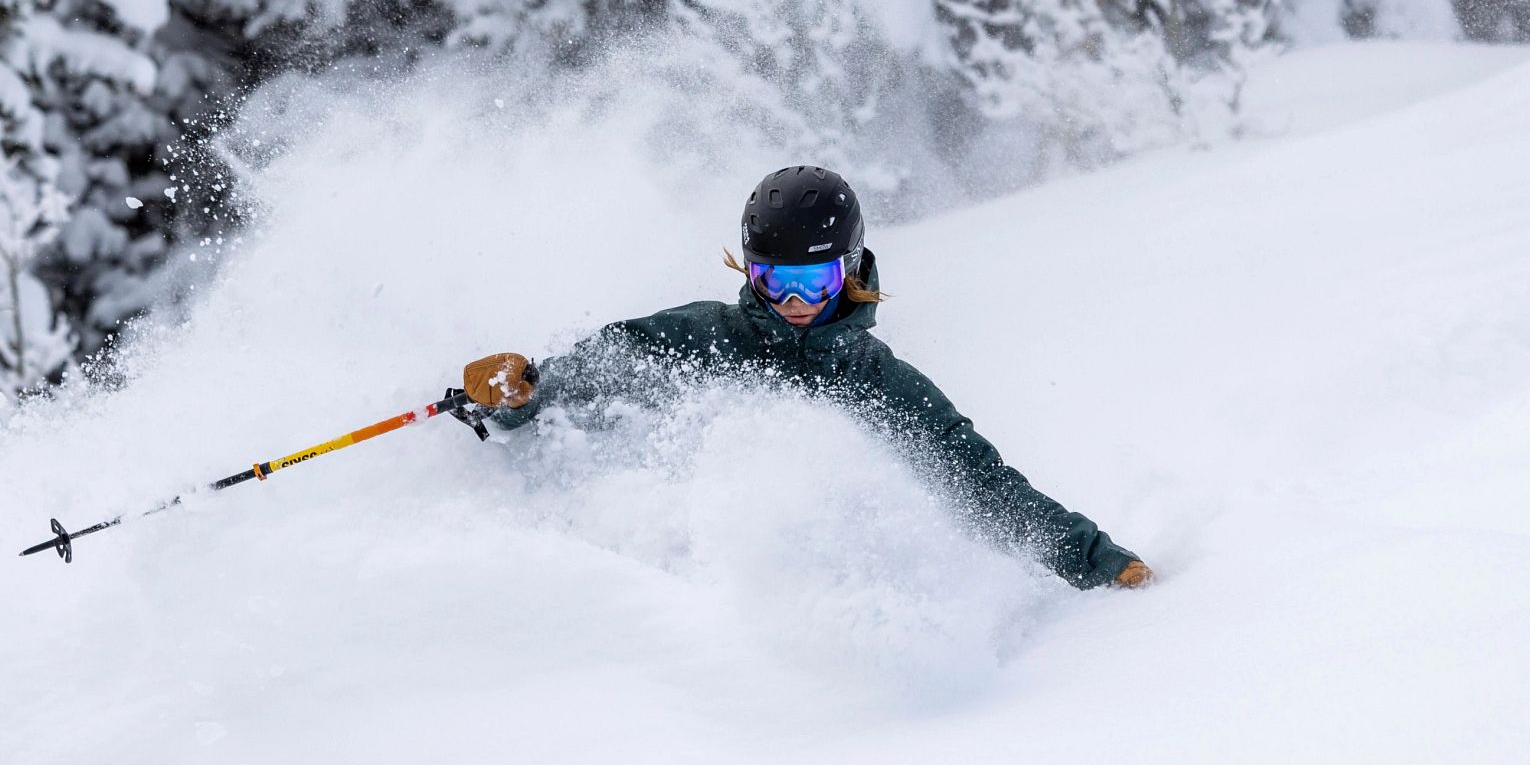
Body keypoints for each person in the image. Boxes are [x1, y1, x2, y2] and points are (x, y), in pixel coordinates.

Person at [461, 165, 1152, 590]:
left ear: (850, 270)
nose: (792, 300)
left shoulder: (880, 382)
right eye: (773, 279)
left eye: (812, 280)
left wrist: (1094, 558)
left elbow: (980, 482)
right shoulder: (705, 336)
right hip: (664, 587)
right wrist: (517, 396)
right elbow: (592, 373)